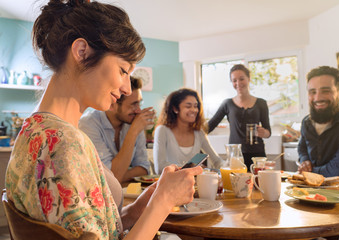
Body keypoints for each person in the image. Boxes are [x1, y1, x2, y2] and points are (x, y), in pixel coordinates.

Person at [5, 1, 202, 240]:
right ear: (81, 52)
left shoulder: (34, 130)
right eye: (123, 70)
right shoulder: (65, 144)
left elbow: (94, 229)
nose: (128, 88)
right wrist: (164, 200)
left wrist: (140, 207)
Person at [79, 76, 154, 183]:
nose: (138, 110)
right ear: (112, 105)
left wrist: (118, 176)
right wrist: (133, 132)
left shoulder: (133, 121)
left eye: (139, 103)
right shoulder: (89, 124)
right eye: (133, 104)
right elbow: (108, 178)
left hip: (125, 193)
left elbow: (144, 169)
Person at [298, 66, 339, 186]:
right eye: (312, 92)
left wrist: (307, 173)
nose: (317, 98)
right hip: (314, 193)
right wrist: (304, 160)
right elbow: (302, 147)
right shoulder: (307, 122)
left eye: (325, 91)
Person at [207, 64, 271, 170]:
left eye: (241, 79)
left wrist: (264, 133)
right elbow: (210, 126)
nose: (238, 83)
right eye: (234, 80)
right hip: (235, 156)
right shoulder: (227, 104)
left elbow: (268, 132)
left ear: (248, 79)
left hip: (257, 155)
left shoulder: (261, 103)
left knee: (259, 183)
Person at [153, 88, 225, 174]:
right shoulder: (162, 130)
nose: (194, 110)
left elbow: (217, 161)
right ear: (175, 109)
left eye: (195, 106)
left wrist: (229, 167)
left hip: (193, 185)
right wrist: (193, 169)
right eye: (188, 106)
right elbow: (160, 168)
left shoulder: (199, 132)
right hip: (170, 185)